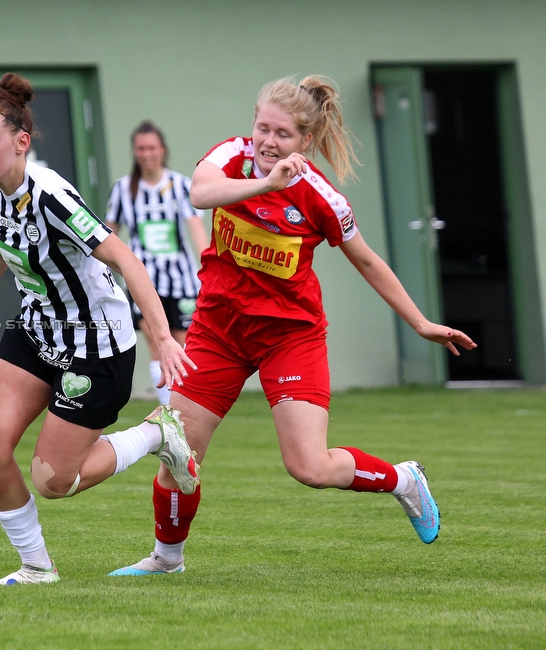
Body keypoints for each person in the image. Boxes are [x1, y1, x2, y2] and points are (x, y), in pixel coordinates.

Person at [108, 75, 477, 576]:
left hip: (289, 337)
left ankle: (404, 480)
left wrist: (420, 322)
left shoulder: (322, 198)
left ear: (305, 141)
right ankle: (166, 560)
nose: (268, 141)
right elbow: (199, 194)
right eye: (263, 127)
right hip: (218, 331)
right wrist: (267, 182)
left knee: (309, 467)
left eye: (283, 134)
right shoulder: (230, 157)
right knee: (178, 450)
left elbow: (367, 261)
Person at [0, 73, 200, 585]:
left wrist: (165, 336)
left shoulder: (51, 196)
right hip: (37, 329)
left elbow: (124, 256)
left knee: (53, 481)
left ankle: (155, 434)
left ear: (21, 142)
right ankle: (37, 568)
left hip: (96, 344)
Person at [106, 121, 209, 405]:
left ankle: (184, 406)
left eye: (151, 147)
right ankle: (169, 411)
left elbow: (196, 230)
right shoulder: (124, 190)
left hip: (182, 280)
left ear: (162, 150)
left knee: (182, 342)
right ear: (134, 152)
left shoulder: (181, 185)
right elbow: (107, 234)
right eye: (140, 148)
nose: (146, 153)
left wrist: (209, 268)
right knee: (155, 340)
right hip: (144, 280)